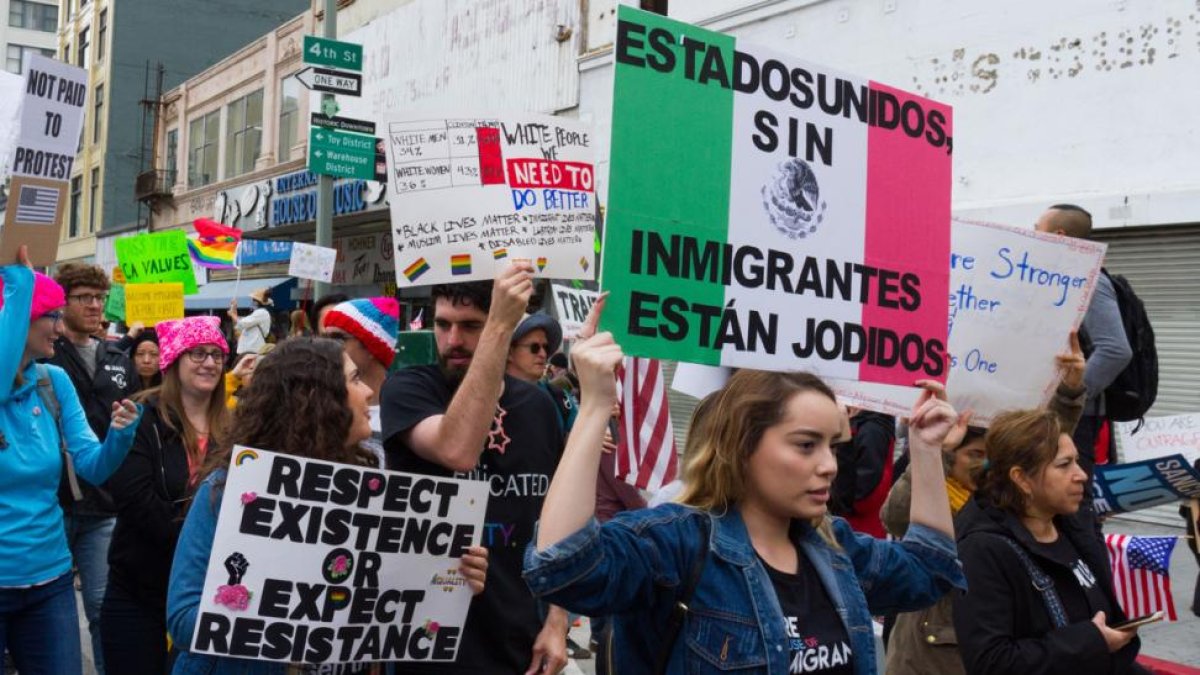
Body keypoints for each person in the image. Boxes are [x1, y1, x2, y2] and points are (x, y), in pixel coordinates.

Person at [524, 299, 965, 674]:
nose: (829, 465)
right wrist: (596, 405)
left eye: (833, 445)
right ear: (743, 446)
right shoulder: (676, 542)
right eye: (806, 445)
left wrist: (927, 451)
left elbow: (931, 570)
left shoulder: (835, 550)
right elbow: (563, 568)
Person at [167, 338, 489, 673]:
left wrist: (453, 577)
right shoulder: (230, 489)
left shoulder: (377, 490)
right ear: (317, 399)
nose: (367, 392)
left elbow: (399, 612)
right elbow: (183, 618)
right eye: (354, 379)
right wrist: (287, 623)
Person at [381, 262, 572, 675]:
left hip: (519, 645)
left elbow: (561, 524)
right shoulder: (410, 389)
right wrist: (497, 331)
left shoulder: (539, 407)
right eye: (443, 324)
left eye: (470, 326)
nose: (453, 340)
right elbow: (457, 449)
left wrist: (558, 622)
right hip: (426, 651)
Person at [882, 334, 1087, 675]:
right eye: (974, 454)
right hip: (931, 658)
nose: (985, 466)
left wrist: (1068, 391)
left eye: (991, 457)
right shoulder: (938, 487)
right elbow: (895, 518)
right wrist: (937, 452)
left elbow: (1045, 448)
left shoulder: (1007, 495)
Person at [0, 249, 141, 672]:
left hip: (51, 580)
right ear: (19, 318)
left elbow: (92, 466)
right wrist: (22, 280)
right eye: (51, 316)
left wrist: (120, 434)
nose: (59, 330)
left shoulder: (53, 380)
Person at [952, 409, 1145, 675]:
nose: (1081, 475)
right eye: (1064, 465)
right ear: (1021, 478)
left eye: (1077, 461)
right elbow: (991, 662)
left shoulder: (1071, 531)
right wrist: (1089, 641)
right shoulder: (983, 550)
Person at [101, 316, 230, 674]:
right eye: (197, 354)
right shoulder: (139, 416)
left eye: (217, 355)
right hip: (139, 590)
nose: (209, 363)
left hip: (205, 595)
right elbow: (133, 498)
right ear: (173, 360)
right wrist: (198, 542)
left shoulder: (234, 426)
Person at [48, 262, 138, 674]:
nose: (95, 306)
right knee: (51, 610)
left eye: (99, 298)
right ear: (61, 302)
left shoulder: (117, 355)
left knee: (102, 607)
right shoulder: (43, 353)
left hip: (104, 502)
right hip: (53, 501)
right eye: (84, 298)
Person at [1035, 204, 1131, 541]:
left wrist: (1069, 396)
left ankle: (1093, 589)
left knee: (1075, 516)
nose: (1032, 234)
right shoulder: (1058, 279)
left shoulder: (1089, 281)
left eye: (1038, 227)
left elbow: (1116, 350)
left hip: (1076, 421)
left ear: (1058, 235)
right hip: (1057, 419)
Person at [321, 296, 401, 466]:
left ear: (372, 346)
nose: (326, 346)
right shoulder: (317, 405)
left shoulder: (406, 410)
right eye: (323, 338)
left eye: (337, 338)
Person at [831, 408, 895, 538]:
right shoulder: (868, 424)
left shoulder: (871, 429)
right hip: (855, 518)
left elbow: (870, 484)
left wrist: (846, 506)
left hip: (857, 522)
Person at [509, 311, 577, 433]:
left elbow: (581, 436)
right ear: (509, 352)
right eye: (534, 347)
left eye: (545, 347)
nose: (543, 354)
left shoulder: (559, 398)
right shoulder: (489, 399)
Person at [228, 287, 274, 355]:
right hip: (249, 351)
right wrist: (234, 309)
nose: (252, 302)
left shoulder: (262, 312)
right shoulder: (257, 313)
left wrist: (232, 314)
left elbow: (243, 323)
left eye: (254, 300)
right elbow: (239, 325)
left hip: (253, 351)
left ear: (257, 302)